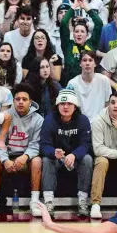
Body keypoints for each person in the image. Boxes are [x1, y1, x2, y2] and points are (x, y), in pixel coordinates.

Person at [0, 83, 44, 218]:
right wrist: (5, 160)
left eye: (24, 99)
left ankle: (34, 202)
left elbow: (36, 144)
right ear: (13, 101)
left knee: (37, 161)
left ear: (31, 102)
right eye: (18, 99)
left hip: (25, 158)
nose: (21, 102)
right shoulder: (4, 116)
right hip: (7, 156)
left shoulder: (38, 119)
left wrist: (25, 156)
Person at [39, 88, 93, 217]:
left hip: (76, 158)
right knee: (47, 160)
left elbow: (86, 144)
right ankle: (48, 201)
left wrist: (74, 155)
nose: (66, 107)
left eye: (69, 104)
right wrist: (53, 152)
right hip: (58, 158)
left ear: (75, 107)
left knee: (88, 159)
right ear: (57, 106)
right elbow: (43, 145)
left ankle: (82, 200)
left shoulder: (83, 120)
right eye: (62, 104)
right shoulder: (49, 120)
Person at [60, 0, 103, 84]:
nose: (79, 34)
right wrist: (74, 6)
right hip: (71, 86)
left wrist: (86, 7)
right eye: (76, 31)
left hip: (90, 84)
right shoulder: (68, 45)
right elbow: (64, 22)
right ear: (73, 34)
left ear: (87, 35)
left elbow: (99, 23)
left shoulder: (91, 44)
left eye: (82, 31)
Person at [67, 50, 111, 122]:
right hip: (79, 124)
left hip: (100, 123)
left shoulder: (104, 80)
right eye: (84, 60)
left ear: (95, 64)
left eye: (90, 60)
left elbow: (107, 105)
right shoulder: (72, 83)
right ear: (80, 64)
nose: (87, 63)